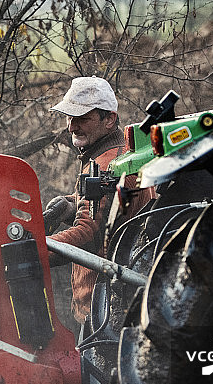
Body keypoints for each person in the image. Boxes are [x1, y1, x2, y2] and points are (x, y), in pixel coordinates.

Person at [46, 76, 156, 325]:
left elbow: (88, 235)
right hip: (117, 304)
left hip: (105, 313)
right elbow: (113, 210)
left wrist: (34, 249)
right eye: (69, 117)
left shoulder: (107, 167)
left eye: (82, 118)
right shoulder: (121, 154)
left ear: (109, 119)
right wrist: (70, 205)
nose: (72, 127)